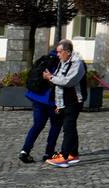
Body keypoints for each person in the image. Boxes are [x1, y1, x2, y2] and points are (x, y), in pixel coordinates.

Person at [44, 39, 87, 168]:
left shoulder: (77, 64)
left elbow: (67, 81)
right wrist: (58, 104)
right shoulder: (62, 62)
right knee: (70, 127)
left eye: (59, 52)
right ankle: (73, 154)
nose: (57, 55)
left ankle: (64, 156)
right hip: (64, 101)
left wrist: (51, 77)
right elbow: (58, 83)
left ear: (67, 52)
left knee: (68, 128)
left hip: (74, 100)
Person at [19, 47, 62, 163]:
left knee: (37, 125)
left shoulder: (44, 60)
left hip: (36, 97)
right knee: (55, 126)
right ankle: (49, 152)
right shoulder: (62, 63)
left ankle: (25, 150)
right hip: (52, 101)